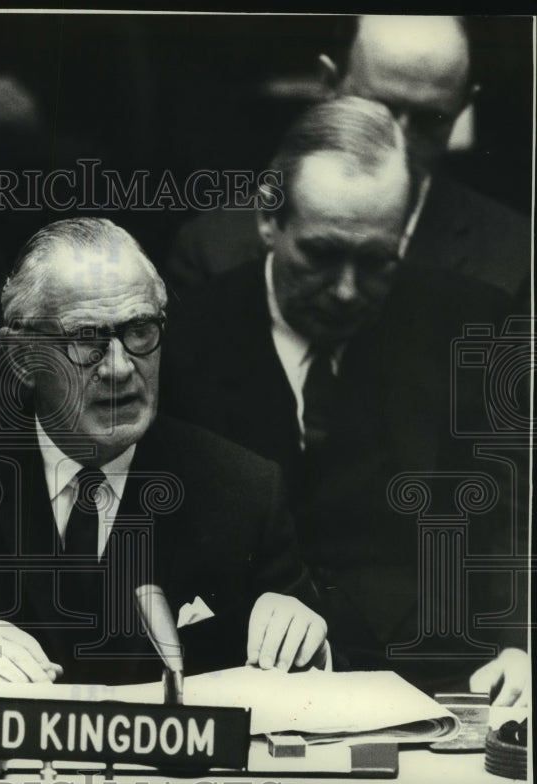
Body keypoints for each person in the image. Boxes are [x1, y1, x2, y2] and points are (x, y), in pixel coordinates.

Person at [0, 217, 328, 687]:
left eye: (138, 332)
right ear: (22, 356)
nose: (119, 367)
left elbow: (328, 688)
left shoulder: (241, 492)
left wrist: (310, 650)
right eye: (86, 339)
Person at [163, 96, 528, 703]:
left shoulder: (468, 326)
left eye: (377, 261)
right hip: (247, 680)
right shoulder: (187, 342)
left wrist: (520, 645)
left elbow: (508, 505)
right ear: (268, 220)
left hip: (432, 675)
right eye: (322, 255)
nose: (346, 290)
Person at [167, 15, 530, 300]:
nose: (398, 141)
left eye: (430, 119)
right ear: (328, 84)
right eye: (379, 107)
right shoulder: (214, 251)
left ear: (464, 106)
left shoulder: (515, 260)